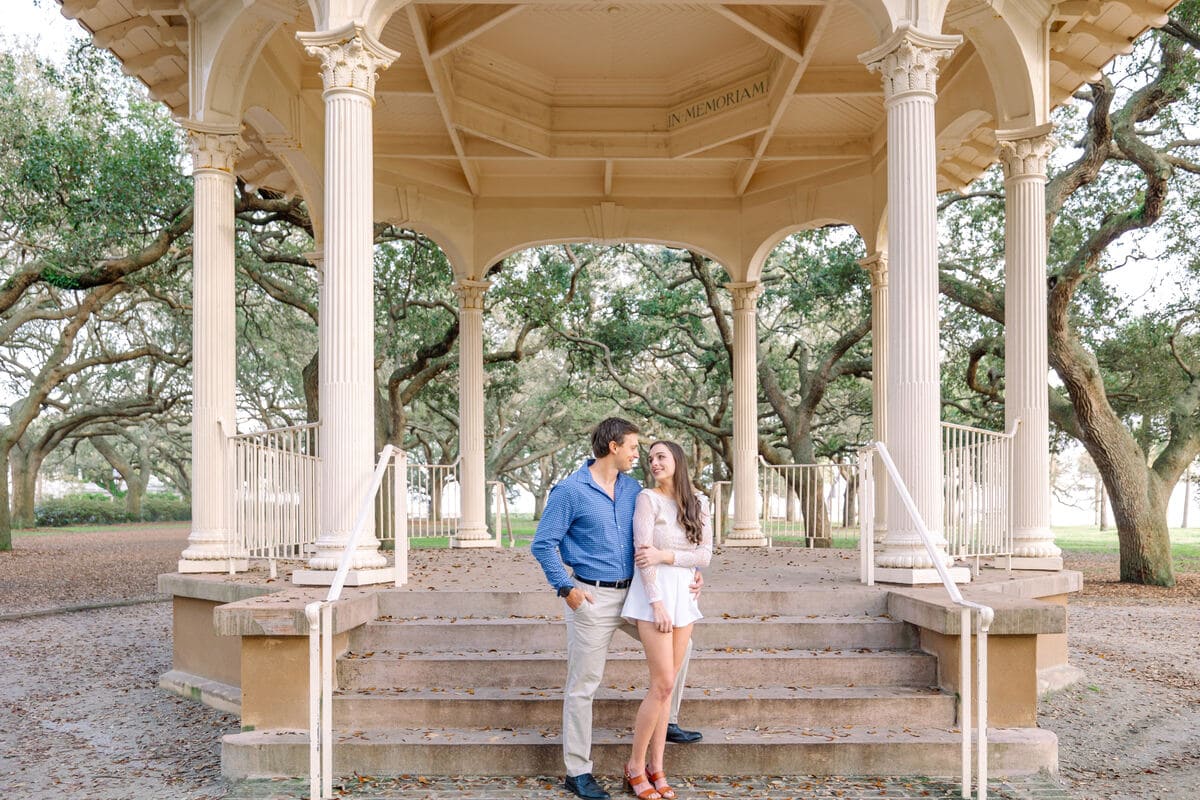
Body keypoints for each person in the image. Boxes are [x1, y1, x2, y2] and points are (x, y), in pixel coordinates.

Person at [531, 418, 703, 800]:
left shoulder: (633, 490)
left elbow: (656, 539)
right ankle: (577, 771)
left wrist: (689, 571)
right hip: (592, 597)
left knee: (682, 646)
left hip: (637, 596)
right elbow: (543, 544)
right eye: (633, 448)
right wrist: (566, 588)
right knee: (583, 685)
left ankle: (665, 717)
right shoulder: (570, 491)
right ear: (613, 447)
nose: (637, 455)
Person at [619, 441, 712, 800]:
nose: (654, 462)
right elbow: (643, 555)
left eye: (661, 457)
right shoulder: (647, 498)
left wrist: (669, 555)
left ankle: (657, 767)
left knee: (669, 688)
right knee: (660, 685)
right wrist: (657, 603)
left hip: (684, 596)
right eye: (651, 458)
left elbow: (705, 553)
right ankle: (634, 766)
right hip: (653, 597)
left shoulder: (699, 502)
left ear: (678, 461)